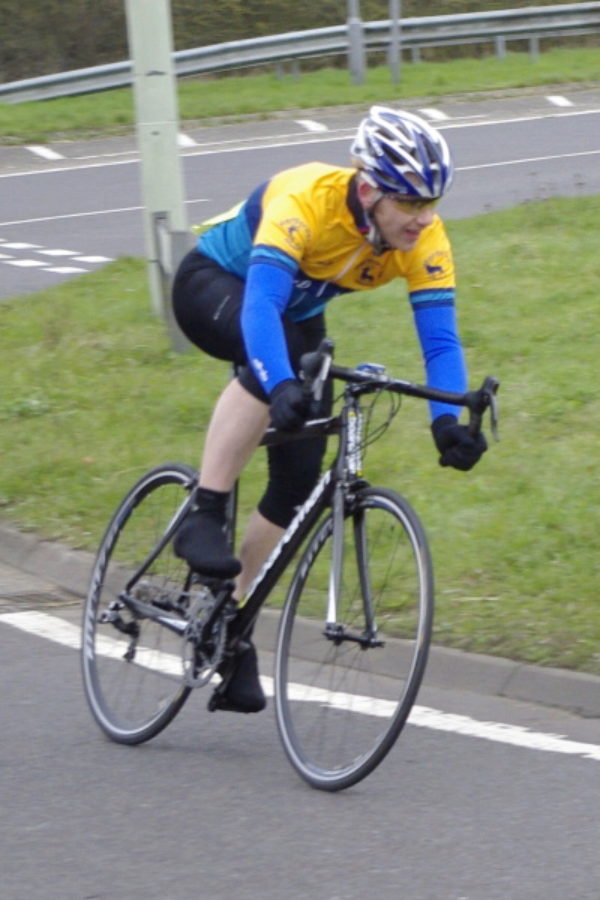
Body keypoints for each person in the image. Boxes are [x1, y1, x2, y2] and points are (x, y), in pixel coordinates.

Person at [171, 105, 487, 713]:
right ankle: (204, 514)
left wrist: (446, 421)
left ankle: (228, 619)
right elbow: (262, 308)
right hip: (216, 286)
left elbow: (441, 342)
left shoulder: (423, 237)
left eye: (431, 203)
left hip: (296, 313)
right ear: (368, 191)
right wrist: (280, 383)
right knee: (280, 364)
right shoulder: (305, 200)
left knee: (297, 480)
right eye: (410, 203)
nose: (424, 218)